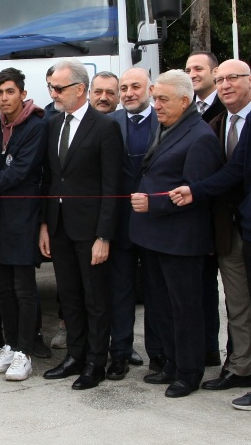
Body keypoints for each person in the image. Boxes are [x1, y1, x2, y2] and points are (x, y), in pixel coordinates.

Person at [130, 70, 223, 398]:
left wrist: (153, 205)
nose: (156, 105)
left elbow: (195, 195)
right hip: (154, 237)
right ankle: (170, 362)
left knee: (185, 309)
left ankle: (189, 371)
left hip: (181, 241)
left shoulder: (200, 137)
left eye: (163, 99)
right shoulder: (168, 126)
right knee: (162, 306)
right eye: (155, 98)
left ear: (185, 101)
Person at [40, 59, 123, 390]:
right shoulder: (53, 124)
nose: (53, 94)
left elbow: (111, 187)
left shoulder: (105, 128)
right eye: (51, 88)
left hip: (90, 231)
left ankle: (95, 362)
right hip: (59, 227)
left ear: (79, 89)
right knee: (69, 296)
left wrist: (104, 235)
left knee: (95, 299)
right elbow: (50, 179)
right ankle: (75, 355)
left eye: (58, 88)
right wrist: (45, 226)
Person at [0, 68, 48, 382]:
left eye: (10, 91)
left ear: (22, 93)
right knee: (1, 287)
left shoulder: (36, 126)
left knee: (23, 288)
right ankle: (11, 345)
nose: (4, 98)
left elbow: (19, 173)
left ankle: (25, 352)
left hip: (24, 217)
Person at [195, 60, 251, 393]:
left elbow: (235, 173)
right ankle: (240, 366)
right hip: (228, 230)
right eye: (220, 80)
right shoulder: (215, 123)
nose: (225, 85)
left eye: (233, 78)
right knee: (237, 303)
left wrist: (191, 191)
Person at [106, 68, 155, 380]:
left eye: (135, 87)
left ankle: (161, 354)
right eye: (124, 88)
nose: (128, 93)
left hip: (156, 224)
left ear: (149, 88)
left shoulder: (165, 121)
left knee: (156, 293)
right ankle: (120, 353)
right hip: (119, 223)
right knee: (120, 293)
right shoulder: (110, 123)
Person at [186, 51, 224, 367]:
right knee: (198, 286)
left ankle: (216, 350)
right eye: (188, 69)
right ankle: (205, 348)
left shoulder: (224, 108)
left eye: (198, 68)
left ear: (214, 72)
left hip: (219, 213)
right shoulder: (188, 109)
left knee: (212, 288)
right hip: (193, 215)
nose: (192, 73)